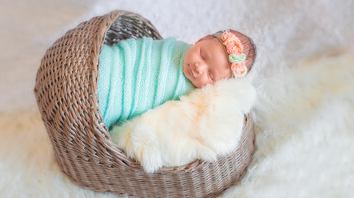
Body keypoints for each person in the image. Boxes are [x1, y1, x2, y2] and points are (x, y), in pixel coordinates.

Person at [97, 29, 256, 130]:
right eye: (202, 55)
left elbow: (165, 118)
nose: (199, 68)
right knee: (102, 60)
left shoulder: (193, 97)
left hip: (119, 102)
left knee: (102, 101)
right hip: (114, 62)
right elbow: (143, 50)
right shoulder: (175, 48)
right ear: (201, 39)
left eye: (211, 75)